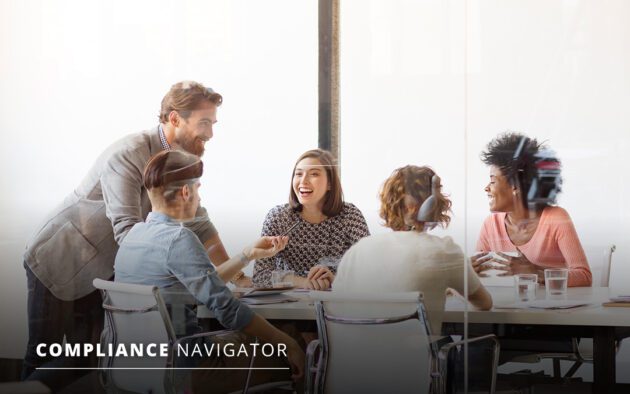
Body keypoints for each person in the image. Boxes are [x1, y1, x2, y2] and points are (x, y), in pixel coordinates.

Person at [22, 81, 250, 390]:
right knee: (44, 354)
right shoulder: (129, 154)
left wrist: (239, 277)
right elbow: (127, 233)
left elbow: (199, 219)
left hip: (102, 269)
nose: (210, 133)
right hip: (60, 260)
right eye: (204, 122)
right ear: (174, 119)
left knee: (93, 355)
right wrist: (182, 267)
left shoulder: (176, 162)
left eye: (213, 123)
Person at [114, 150, 304, 392]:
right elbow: (228, 311)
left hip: (138, 367)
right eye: (198, 190)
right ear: (186, 192)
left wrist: (246, 255)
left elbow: (201, 284)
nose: (198, 198)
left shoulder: (134, 237)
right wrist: (289, 345)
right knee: (292, 339)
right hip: (191, 369)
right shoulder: (179, 238)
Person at [334, 165, 492, 334]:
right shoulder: (444, 251)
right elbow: (484, 303)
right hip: (415, 359)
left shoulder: (358, 251)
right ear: (432, 205)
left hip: (355, 359)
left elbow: (336, 304)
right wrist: (448, 285)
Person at [471, 132, 592, 287]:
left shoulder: (556, 218)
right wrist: (469, 272)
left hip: (550, 309)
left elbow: (584, 276)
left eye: (493, 181)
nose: (486, 188)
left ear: (515, 185)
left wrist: (535, 271)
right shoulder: (490, 224)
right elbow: (481, 281)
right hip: (507, 310)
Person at [252, 149, 370, 290]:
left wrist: (335, 280)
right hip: (287, 305)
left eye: (314, 174)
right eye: (299, 174)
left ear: (330, 184)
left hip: (337, 304)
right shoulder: (278, 217)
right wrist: (304, 282)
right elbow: (260, 275)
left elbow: (369, 272)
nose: (303, 181)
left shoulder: (350, 215)